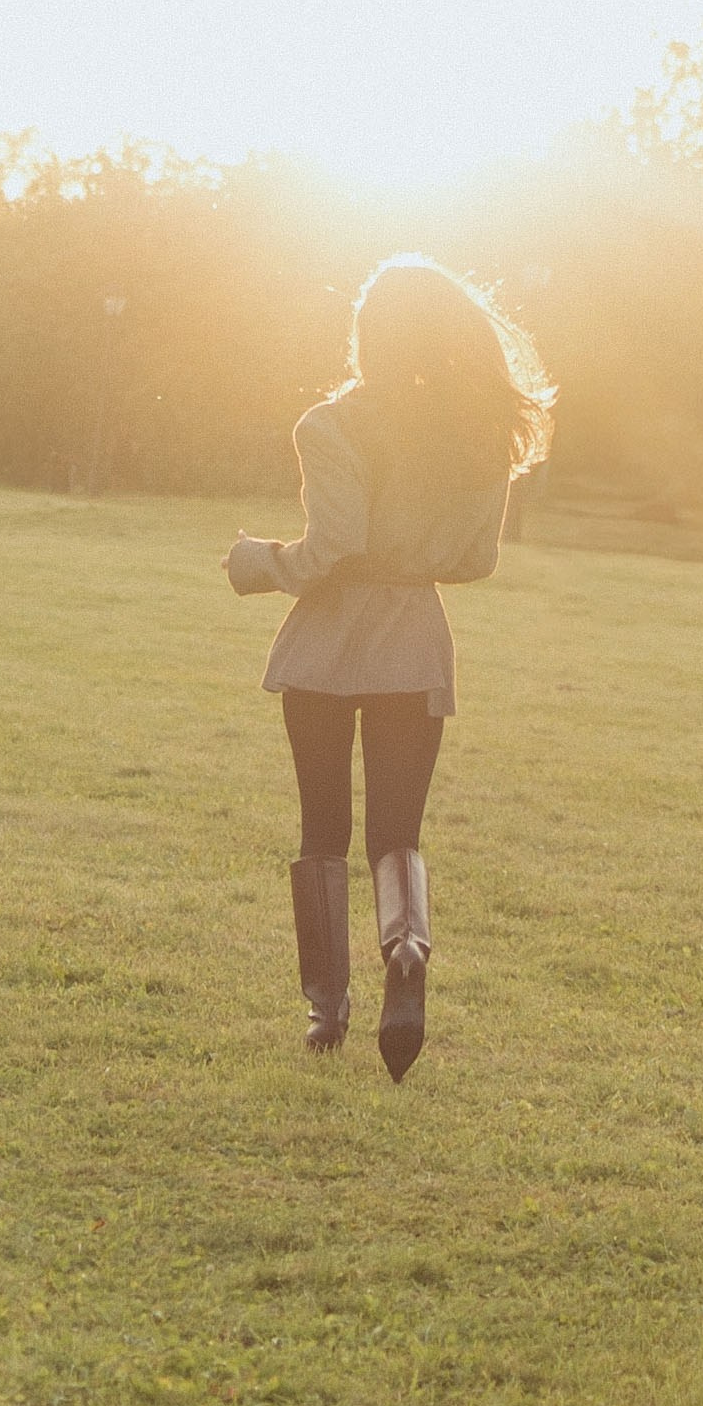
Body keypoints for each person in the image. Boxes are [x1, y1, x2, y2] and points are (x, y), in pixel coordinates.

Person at [224, 256, 555, 1080]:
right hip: (413, 642)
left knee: (321, 828)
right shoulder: (474, 428)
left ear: (367, 333)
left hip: (326, 647)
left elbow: (331, 549)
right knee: (396, 834)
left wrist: (258, 561)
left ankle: (325, 1008)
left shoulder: (330, 425)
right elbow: (475, 561)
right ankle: (405, 949)